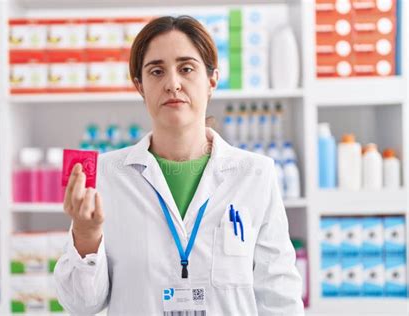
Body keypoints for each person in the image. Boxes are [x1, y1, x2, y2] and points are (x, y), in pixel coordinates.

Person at [54, 15, 304, 315]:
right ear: (140, 86)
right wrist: (86, 234)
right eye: (156, 71)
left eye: (186, 69)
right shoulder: (106, 176)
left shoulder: (255, 175)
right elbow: (80, 306)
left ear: (212, 80)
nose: (173, 84)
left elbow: (280, 300)